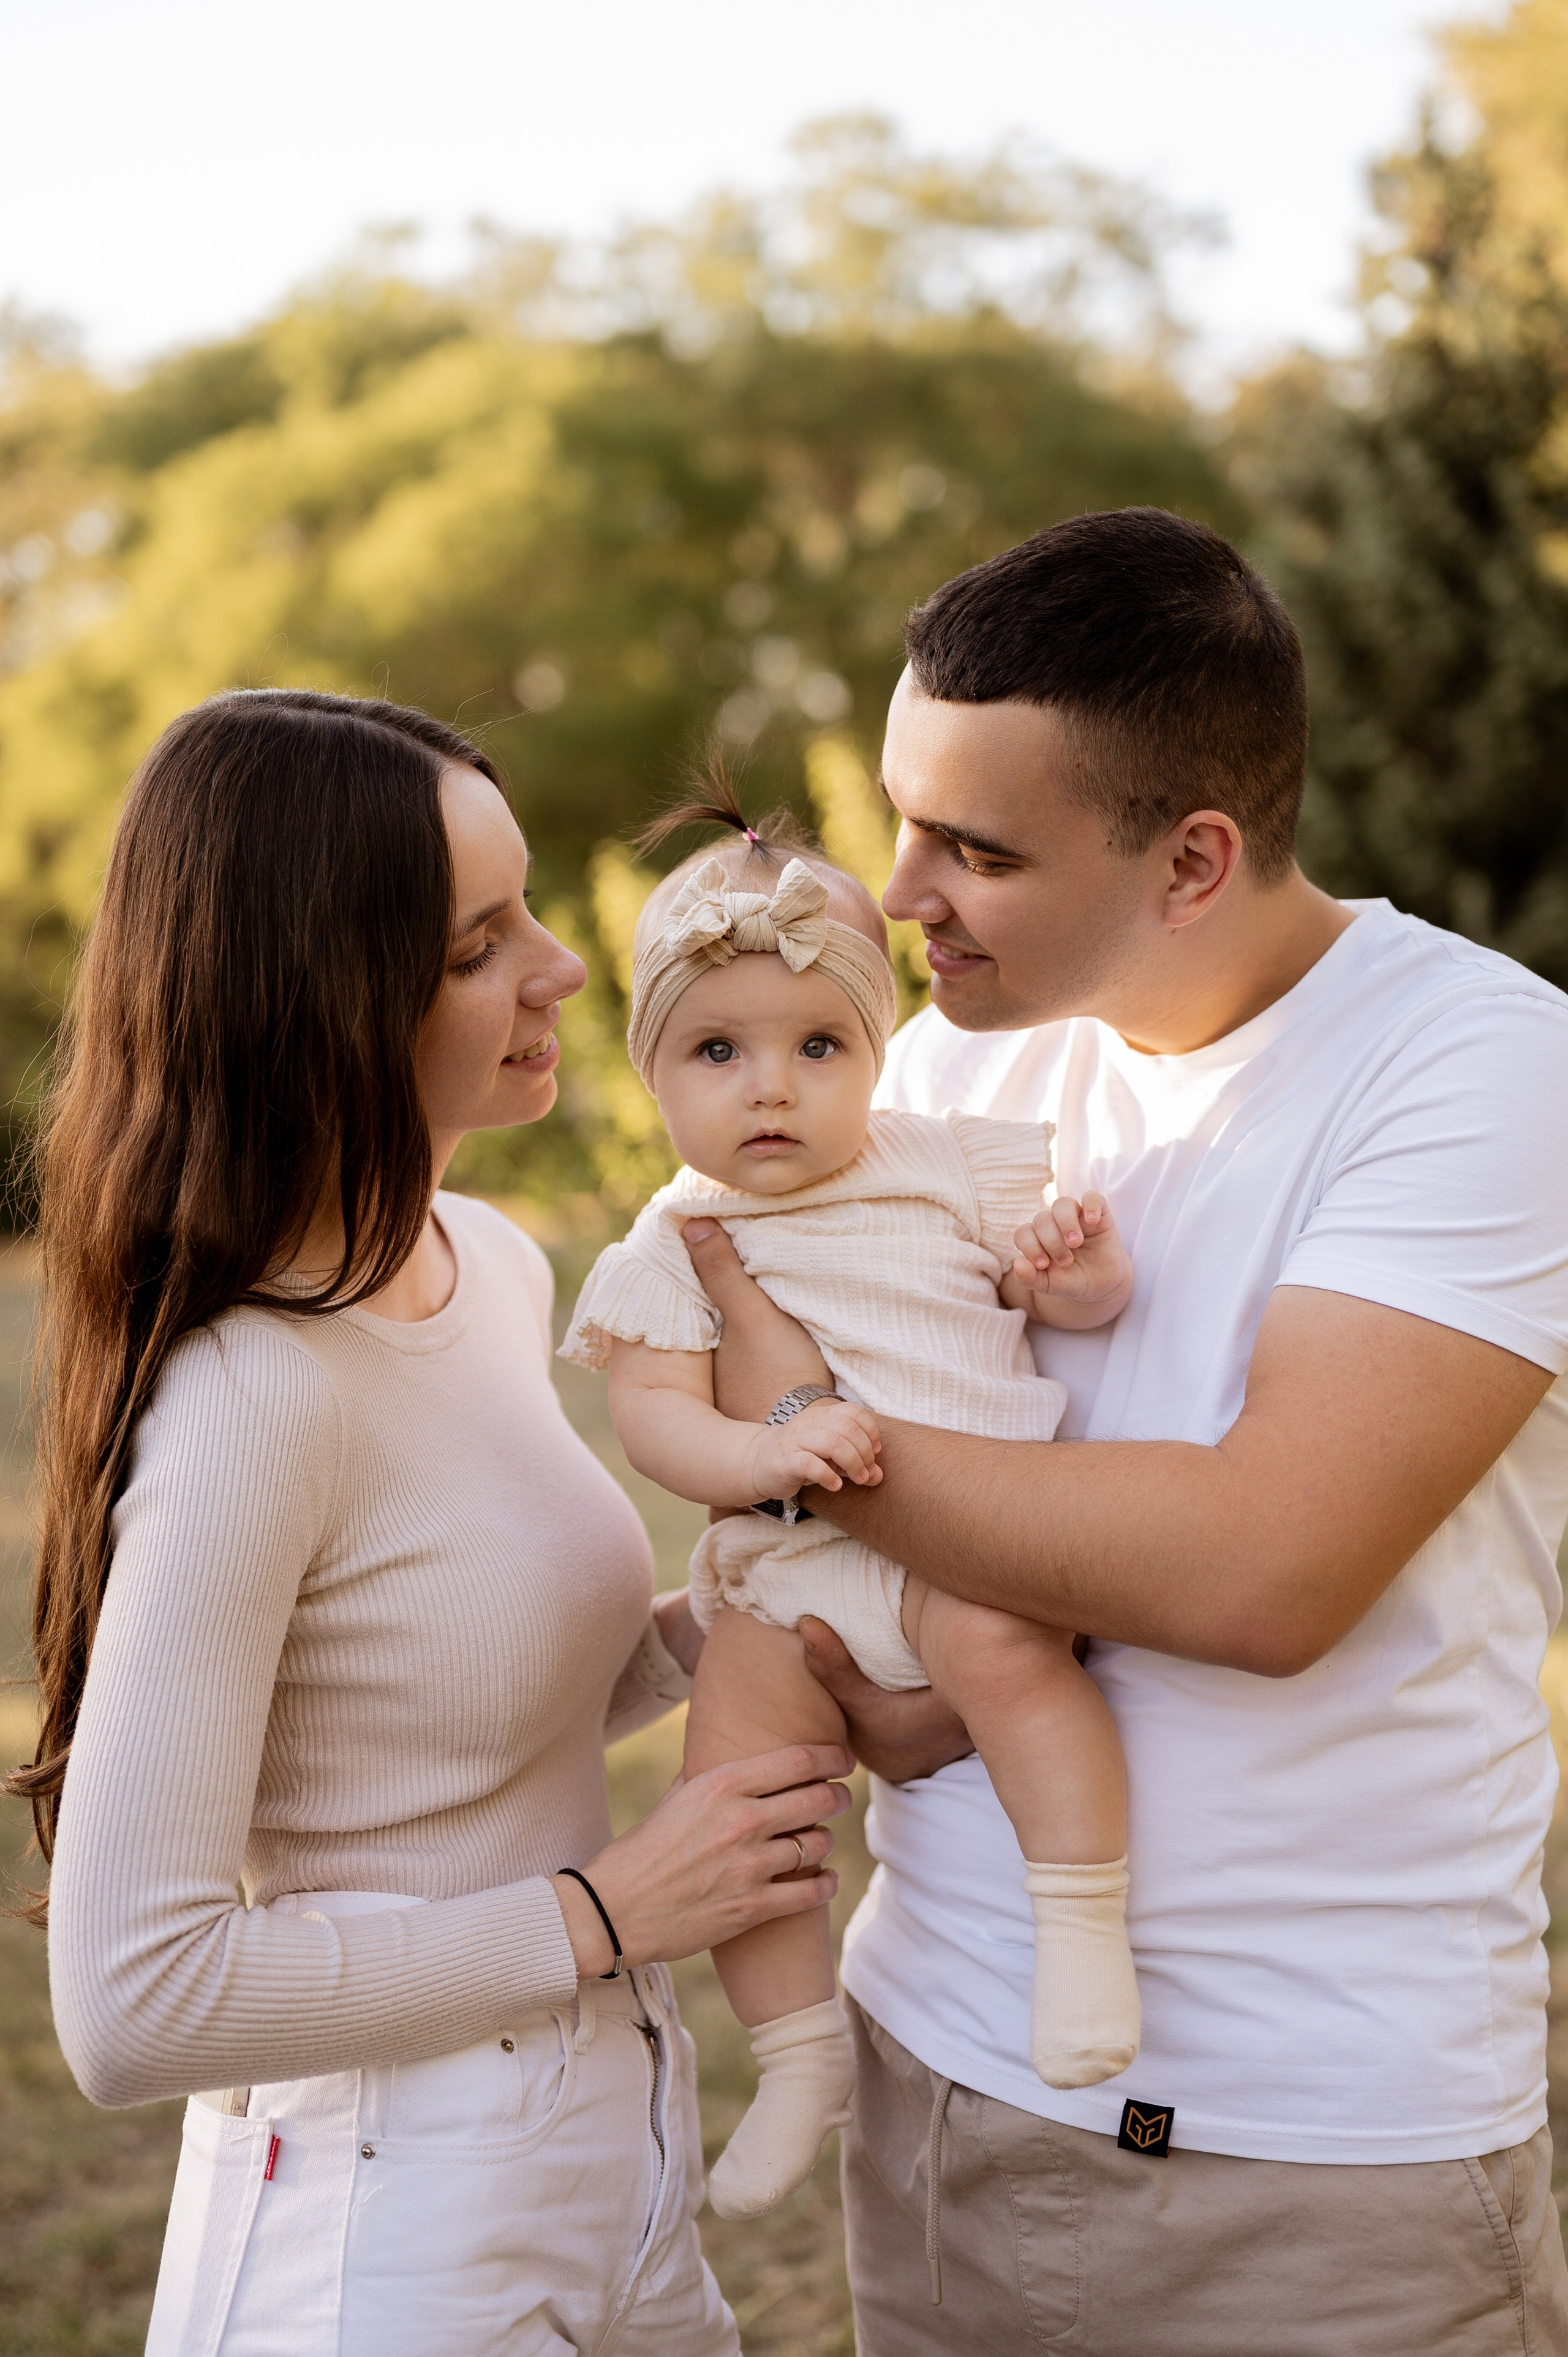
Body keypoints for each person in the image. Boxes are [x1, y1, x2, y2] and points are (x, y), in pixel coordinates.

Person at [683, 507, 1568, 2356]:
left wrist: (795, 1427)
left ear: (1193, 862)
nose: (899, 892)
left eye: (977, 849)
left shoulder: (1484, 1070)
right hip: (938, 2074)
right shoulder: (945, 1056)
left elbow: (1262, 1570)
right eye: (904, 816)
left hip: (1302, 2165)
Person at [8, 687, 854, 2357]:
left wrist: (746, 1615)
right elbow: (132, 1999)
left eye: (531, 904)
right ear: (322, 999)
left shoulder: (488, 1268)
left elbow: (463, 1683)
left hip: (613, 2159)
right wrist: (609, 1915)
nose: (558, 966)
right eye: (480, 943)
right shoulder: (258, 1387)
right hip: (382, 2233)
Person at [559, 798, 1137, 2220]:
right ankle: (797, 2051)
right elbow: (655, 1421)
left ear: (876, 1055)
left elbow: (1056, 1299)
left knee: (1011, 1665)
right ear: (654, 1078)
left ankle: (1082, 1929)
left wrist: (1071, 1278)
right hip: (786, 1568)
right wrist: (764, 1454)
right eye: (718, 1051)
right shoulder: (672, 1241)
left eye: (817, 1047)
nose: (771, 1088)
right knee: (735, 1791)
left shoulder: (941, 1159)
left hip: (969, 1544)